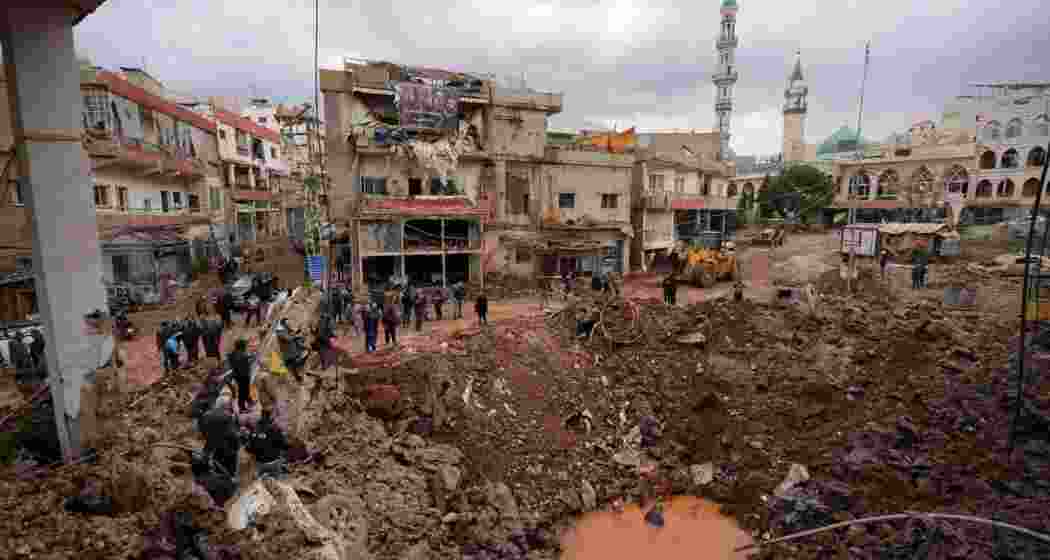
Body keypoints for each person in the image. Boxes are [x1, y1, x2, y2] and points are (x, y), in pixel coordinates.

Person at [226, 338, 254, 413]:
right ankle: (242, 408)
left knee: (243, 390)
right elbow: (248, 358)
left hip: (237, 375)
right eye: (245, 345)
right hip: (244, 375)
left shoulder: (232, 354)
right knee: (243, 391)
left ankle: (249, 401)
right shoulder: (243, 355)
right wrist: (251, 356)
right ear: (242, 347)